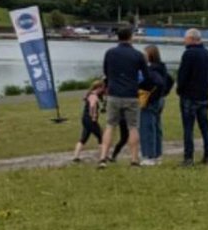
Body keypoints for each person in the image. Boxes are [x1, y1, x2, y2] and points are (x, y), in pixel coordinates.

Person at [97, 26, 147, 168]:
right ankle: (134, 159)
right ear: (131, 37)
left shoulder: (110, 53)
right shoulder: (138, 55)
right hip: (131, 94)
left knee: (110, 125)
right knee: (133, 127)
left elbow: (106, 72)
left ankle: (103, 158)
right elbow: (146, 76)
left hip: (114, 94)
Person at [176, 29, 208, 166]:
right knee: (205, 126)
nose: (184, 41)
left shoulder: (188, 54)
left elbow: (183, 75)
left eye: (185, 38)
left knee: (188, 128)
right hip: (204, 95)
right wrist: (206, 88)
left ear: (192, 39)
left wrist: (179, 89)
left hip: (189, 96)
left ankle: (188, 157)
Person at [139, 44, 174, 165]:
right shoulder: (162, 68)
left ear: (150, 55)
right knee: (156, 127)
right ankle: (157, 154)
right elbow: (170, 80)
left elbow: (157, 83)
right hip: (160, 100)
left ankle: (149, 156)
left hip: (151, 100)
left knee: (147, 127)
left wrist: (151, 95)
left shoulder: (150, 70)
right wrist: (164, 93)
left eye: (144, 54)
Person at [72, 77, 105, 162]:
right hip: (90, 119)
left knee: (84, 138)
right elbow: (92, 106)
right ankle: (102, 156)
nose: (103, 90)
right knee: (102, 136)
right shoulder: (94, 96)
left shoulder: (90, 94)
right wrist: (93, 115)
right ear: (98, 88)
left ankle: (76, 156)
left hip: (85, 119)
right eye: (102, 88)